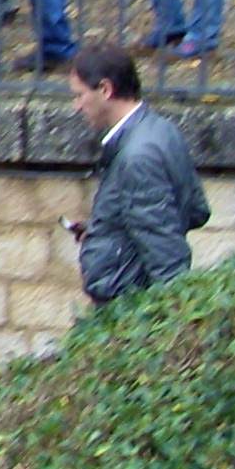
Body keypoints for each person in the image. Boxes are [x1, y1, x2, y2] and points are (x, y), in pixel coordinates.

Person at [61, 40, 209, 304]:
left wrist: (173, 312)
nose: (77, 106)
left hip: (129, 301)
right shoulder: (161, 130)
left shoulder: (137, 157)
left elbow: (165, 251)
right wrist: (107, 229)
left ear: (105, 89)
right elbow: (194, 209)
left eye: (80, 95)